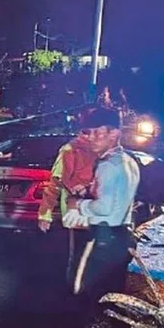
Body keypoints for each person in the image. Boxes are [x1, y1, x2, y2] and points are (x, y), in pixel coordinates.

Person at [58, 107, 140, 328]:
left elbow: (104, 208)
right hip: (121, 240)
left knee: (76, 301)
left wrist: (78, 204)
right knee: (116, 306)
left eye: (98, 132)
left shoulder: (107, 165)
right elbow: (117, 201)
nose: (92, 137)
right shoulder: (129, 162)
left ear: (114, 133)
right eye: (89, 132)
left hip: (100, 242)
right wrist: (88, 193)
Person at [38, 122, 98, 284]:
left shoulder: (104, 151)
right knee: (78, 257)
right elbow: (55, 184)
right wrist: (45, 214)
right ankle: (74, 290)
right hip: (78, 214)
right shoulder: (70, 150)